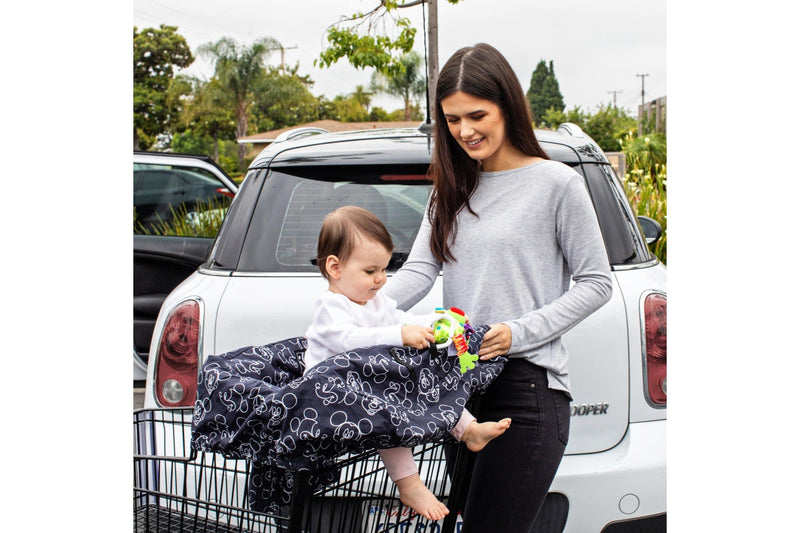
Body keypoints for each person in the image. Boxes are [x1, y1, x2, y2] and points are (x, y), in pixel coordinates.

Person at [383, 43, 613, 532]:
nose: (464, 131)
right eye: (452, 120)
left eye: (476, 115)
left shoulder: (556, 184)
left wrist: (517, 332)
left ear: (507, 106)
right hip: (462, 388)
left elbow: (597, 283)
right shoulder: (450, 189)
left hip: (526, 389)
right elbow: (420, 271)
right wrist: (356, 309)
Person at [304, 205, 511, 522]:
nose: (381, 279)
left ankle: (468, 429)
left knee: (422, 382)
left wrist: (434, 322)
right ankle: (409, 484)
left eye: (384, 269)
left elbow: (399, 319)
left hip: (366, 384)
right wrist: (400, 335)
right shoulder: (331, 306)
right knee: (390, 409)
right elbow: (348, 340)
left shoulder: (374, 301)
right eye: (370, 271)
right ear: (335, 267)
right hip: (329, 392)